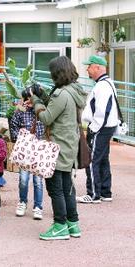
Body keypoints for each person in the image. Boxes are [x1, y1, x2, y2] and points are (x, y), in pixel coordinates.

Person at [30, 56, 87, 240]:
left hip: (57, 147)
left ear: (57, 73)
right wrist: (44, 95)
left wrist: (36, 101)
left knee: (56, 189)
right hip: (70, 145)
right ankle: (73, 224)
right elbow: (59, 109)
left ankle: (60, 225)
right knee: (67, 187)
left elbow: (46, 118)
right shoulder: (74, 90)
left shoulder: (61, 94)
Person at [77, 55, 119, 204]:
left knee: (92, 159)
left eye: (89, 66)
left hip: (100, 128)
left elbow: (102, 111)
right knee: (103, 159)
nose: (87, 69)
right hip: (107, 127)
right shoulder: (108, 83)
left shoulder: (102, 85)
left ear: (97, 68)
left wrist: (94, 128)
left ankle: (93, 194)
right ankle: (105, 192)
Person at [10, 87, 45, 220]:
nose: (27, 101)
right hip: (25, 149)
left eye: (30, 98)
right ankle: (22, 202)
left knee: (38, 180)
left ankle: (38, 206)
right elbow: (13, 125)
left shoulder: (42, 111)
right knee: (23, 179)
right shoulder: (20, 112)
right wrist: (18, 136)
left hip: (38, 149)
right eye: (26, 98)